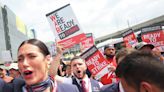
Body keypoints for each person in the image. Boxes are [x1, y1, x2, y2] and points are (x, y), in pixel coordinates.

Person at [3, 39, 79, 92]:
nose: (24, 63)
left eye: (32, 56)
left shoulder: (70, 89)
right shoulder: (9, 88)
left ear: (48, 59)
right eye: (20, 59)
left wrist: (59, 54)